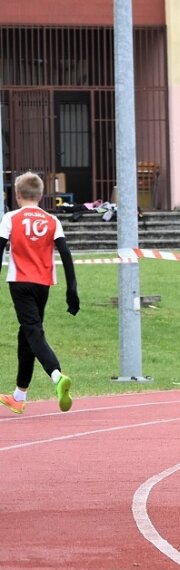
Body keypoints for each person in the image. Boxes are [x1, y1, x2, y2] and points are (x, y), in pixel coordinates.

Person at [0, 171, 80, 415]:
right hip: (43, 284)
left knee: (33, 332)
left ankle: (56, 376)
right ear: (41, 194)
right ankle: (19, 395)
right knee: (26, 335)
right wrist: (72, 290)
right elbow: (65, 254)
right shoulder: (52, 220)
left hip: (20, 282)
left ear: (17, 194)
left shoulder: (10, 218)